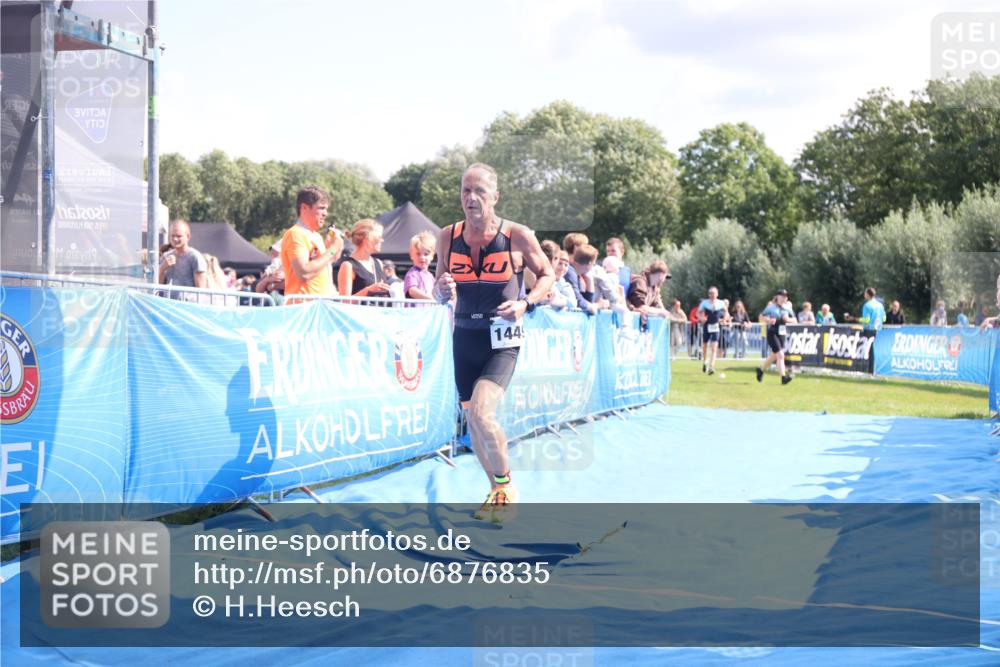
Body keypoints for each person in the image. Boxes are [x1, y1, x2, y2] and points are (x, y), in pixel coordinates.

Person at [432, 163, 554, 522]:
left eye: (479, 191)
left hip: (502, 337)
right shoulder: (446, 236)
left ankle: (506, 487)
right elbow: (439, 286)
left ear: (495, 197)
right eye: (465, 191)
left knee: (484, 413)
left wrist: (525, 303)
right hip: (464, 336)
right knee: (473, 420)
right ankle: (495, 489)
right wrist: (441, 289)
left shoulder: (517, 235)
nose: (471, 198)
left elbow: (547, 274)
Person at [280, 185, 344, 299]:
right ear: (304, 208)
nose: (325, 213)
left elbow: (320, 267)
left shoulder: (317, 236)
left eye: (326, 209)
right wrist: (332, 249)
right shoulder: (295, 234)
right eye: (321, 208)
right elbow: (304, 273)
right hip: (304, 309)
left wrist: (334, 252)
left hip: (320, 307)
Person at [338, 219, 391, 298]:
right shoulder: (348, 266)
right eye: (379, 237)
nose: (382, 240)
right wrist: (368, 290)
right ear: (368, 239)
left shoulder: (379, 263)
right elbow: (344, 301)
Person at [159, 219, 207, 298]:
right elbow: (158, 285)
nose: (175, 239)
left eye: (179, 236)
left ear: (188, 236)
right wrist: (163, 267)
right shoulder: (165, 256)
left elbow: (201, 291)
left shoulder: (195, 257)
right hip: (167, 305)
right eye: (172, 236)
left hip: (188, 307)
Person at [757, 288, 796, 385]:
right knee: (780, 355)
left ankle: (761, 370)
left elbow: (795, 320)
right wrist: (768, 320)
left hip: (782, 333)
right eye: (782, 296)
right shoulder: (771, 307)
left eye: (785, 296)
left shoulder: (788, 308)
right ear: (777, 297)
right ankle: (783, 377)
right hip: (772, 332)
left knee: (774, 355)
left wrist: (788, 319)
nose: (784, 298)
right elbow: (761, 317)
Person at [698, 286, 728, 374]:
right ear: (708, 294)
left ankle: (712, 367)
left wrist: (724, 319)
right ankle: (705, 362)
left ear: (717, 294)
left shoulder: (721, 303)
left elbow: (726, 312)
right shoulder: (704, 303)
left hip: (715, 326)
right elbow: (698, 313)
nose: (712, 295)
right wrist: (701, 318)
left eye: (713, 293)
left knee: (714, 348)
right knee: (705, 345)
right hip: (707, 325)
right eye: (710, 293)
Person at [404, 232, 437, 300]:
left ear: (432, 256)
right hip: (417, 310)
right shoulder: (412, 274)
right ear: (411, 255)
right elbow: (412, 291)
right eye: (418, 254)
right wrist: (430, 298)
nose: (422, 257)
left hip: (429, 309)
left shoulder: (430, 276)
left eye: (426, 254)